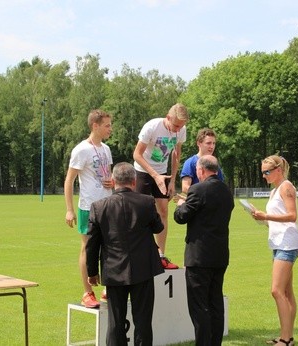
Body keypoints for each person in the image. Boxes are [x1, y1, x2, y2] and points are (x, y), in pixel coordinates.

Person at [86, 162, 164, 345]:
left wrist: (92, 272)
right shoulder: (146, 202)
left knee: (115, 322)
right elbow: (158, 227)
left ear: (113, 181)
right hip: (143, 269)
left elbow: (92, 244)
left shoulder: (98, 207)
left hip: (113, 269)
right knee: (143, 321)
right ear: (134, 181)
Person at [173, 155, 234, 346]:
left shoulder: (197, 189)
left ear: (201, 171)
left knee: (199, 306)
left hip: (199, 256)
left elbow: (181, 217)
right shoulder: (226, 191)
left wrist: (181, 205)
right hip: (220, 254)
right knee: (215, 303)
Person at [64, 109, 113, 308]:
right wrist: (69, 209)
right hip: (88, 208)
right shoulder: (81, 150)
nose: (110, 129)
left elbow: (106, 175)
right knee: (87, 249)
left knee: (111, 247)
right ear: (95, 125)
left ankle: (108, 288)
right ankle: (87, 292)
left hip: (108, 205)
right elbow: (69, 181)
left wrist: (113, 183)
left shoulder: (106, 149)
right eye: (107, 125)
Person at [252, 155, 298, 346]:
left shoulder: (286, 187)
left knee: (276, 291)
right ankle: (286, 336)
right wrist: (261, 218)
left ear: (278, 170)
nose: (264, 176)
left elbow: (292, 215)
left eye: (267, 172)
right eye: (262, 172)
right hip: (279, 242)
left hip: (287, 244)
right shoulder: (275, 191)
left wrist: (267, 215)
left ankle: (286, 340)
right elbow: (275, 219)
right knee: (287, 292)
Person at [133, 103, 189, 269]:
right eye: (176, 125)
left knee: (163, 211)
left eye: (182, 126)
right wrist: (154, 175)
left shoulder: (181, 130)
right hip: (143, 171)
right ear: (168, 117)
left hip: (163, 172)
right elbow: (136, 154)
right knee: (141, 212)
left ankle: (161, 256)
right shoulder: (152, 127)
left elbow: (176, 154)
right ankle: (140, 254)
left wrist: (172, 181)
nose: (178, 130)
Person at [180, 128, 224, 194]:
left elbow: (220, 186)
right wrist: (202, 195)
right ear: (199, 143)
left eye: (214, 143)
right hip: (197, 202)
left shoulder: (215, 163)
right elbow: (185, 187)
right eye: (208, 143)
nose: (212, 146)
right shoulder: (190, 162)